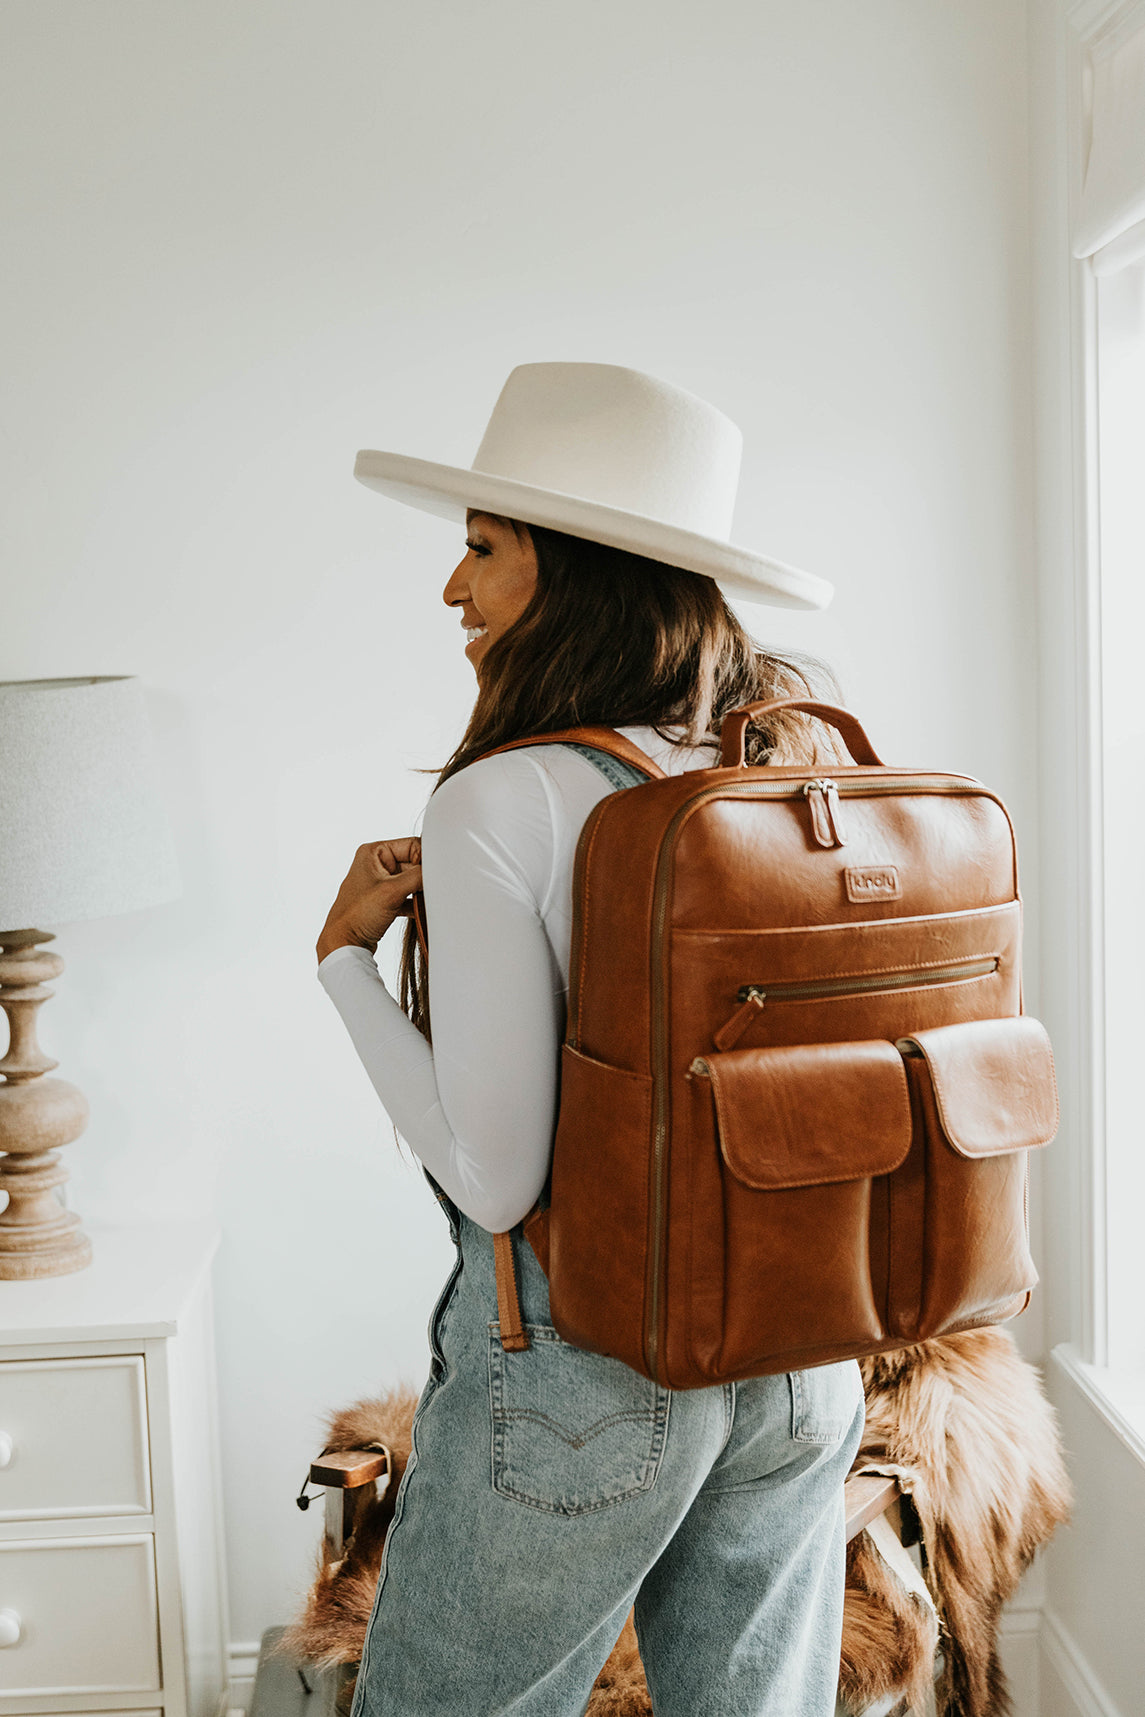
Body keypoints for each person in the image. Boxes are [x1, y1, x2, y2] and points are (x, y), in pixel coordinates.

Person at [314, 363, 866, 1716]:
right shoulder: (785, 760)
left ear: (573, 570)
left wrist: (342, 960)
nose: (454, 589)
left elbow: (496, 1181)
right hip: (797, 1355)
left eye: (483, 549)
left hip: (590, 1382)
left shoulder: (507, 798)